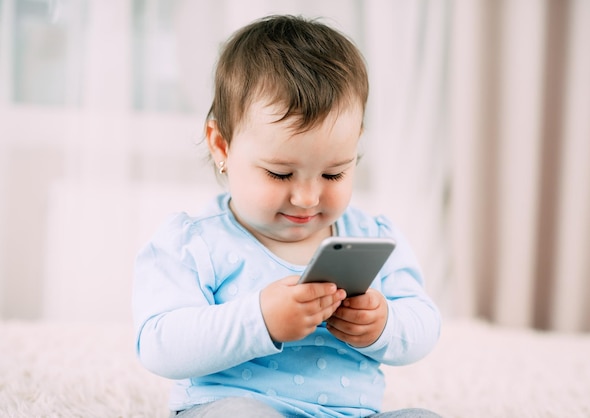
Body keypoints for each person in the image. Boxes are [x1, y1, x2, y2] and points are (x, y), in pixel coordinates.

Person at [133, 14, 442, 418]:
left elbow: (424, 325)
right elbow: (159, 344)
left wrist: (382, 323)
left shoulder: (370, 235)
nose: (308, 197)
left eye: (333, 173)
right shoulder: (195, 242)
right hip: (234, 407)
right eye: (280, 173)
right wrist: (260, 320)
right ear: (221, 146)